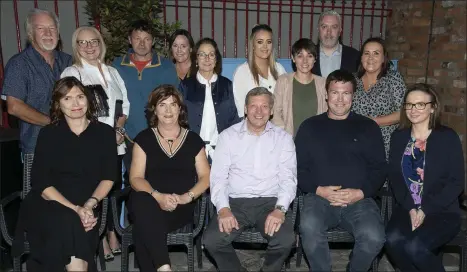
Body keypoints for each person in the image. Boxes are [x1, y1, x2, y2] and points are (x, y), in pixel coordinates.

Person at [12, 77, 117, 271]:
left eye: (80, 97)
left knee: (75, 225)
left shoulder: (105, 133)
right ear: (58, 104)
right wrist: (76, 209)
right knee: (70, 220)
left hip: (88, 203)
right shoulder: (48, 134)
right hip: (48, 202)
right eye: (67, 98)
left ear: (88, 99)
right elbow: (41, 184)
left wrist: (89, 204)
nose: (75, 104)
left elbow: (109, 176)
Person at [295, 69, 386, 272]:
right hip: (319, 198)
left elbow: (379, 169)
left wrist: (360, 193)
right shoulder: (309, 127)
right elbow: (298, 169)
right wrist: (320, 190)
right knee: (309, 227)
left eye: (346, 93)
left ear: (353, 96)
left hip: (359, 200)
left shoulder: (368, 127)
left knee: (374, 236)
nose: (340, 99)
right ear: (326, 94)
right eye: (335, 92)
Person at [203, 87, 297, 272]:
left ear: (271, 111)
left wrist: (280, 209)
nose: (259, 111)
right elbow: (219, 178)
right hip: (235, 203)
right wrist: (223, 209)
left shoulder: (284, 139)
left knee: (286, 240)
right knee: (212, 240)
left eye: (264, 106)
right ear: (245, 109)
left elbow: (288, 179)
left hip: (270, 202)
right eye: (253, 106)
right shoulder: (227, 137)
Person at [61, 26, 130, 260]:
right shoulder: (73, 72)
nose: (89, 46)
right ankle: (98, 238)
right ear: (76, 46)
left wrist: (118, 130)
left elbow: (124, 105)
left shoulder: (113, 71)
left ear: (101, 43)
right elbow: (74, 109)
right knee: (94, 190)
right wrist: (105, 135)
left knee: (113, 189)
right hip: (90, 144)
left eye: (94, 41)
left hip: (116, 142)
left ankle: (112, 233)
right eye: (83, 42)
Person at [128, 85, 210, 271]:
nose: (168, 110)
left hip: (179, 206)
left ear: (180, 109)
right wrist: (158, 196)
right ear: (154, 109)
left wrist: (185, 197)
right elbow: (135, 178)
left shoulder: (193, 140)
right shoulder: (144, 139)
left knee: (143, 226)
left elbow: (206, 177)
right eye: (162, 105)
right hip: (150, 200)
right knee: (142, 201)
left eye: (173, 105)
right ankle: (164, 267)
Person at [385, 83, 464, 272]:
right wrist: (412, 208)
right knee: (392, 240)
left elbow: (456, 182)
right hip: (407, 206)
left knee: (416, 247)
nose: (413, 110)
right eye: (409, 104)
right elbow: (395, 177)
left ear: (433, 107)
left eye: (420, 104)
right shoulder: (399, 136)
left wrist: (425, 209)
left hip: (441, 210)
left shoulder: (447, 137)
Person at [2, 8, 72, 174]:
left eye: (52, 28)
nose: (48, 33)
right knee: (40, 197)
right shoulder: (19, 64)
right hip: (37, 148)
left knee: (73, 195)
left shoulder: (68, 61)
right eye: (41, 28)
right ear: (30, 33)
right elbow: (14, 106)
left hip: (72, 145)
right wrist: (54, 123)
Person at [112, 19, 178, 165]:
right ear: (129, 40)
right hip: (127, 137)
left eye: (146, 39)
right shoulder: (116, 66)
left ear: (153, 41)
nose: (142, 44)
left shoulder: (166, 67)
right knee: (132, 183)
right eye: (137, 38)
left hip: (160, 137)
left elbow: (175, 104)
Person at [179, 38, 240, 157]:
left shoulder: (227, 85)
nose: (207, 59)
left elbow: (234, 120)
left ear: (216, 59)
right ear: (196, 59)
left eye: (211, 54)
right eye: (202, 54)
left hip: (222, 150)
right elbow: (179, 119)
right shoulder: (185, 85)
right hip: (191, 150)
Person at [352, 37, 407, 158]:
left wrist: (373, 122)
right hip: (356, 144)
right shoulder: (352, 80)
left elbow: (404, 111)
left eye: (376, 53)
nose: (370, 58)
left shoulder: (393, 79)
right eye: (366, 53)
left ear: (383, 58)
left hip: (385, 146)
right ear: (361, 58)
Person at [272, 38, 327, 136]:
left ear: (315, 59)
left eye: (309, 56)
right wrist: (285, 136)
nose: (305, 61)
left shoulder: (323, 83)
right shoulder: (283, 81)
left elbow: (328, 114)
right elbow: (275, 112)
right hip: (288, 141)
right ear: (293, 58)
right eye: (300, 56)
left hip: (317, 140)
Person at [232, 24, 286, 117]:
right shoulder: (242, 71)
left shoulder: (279, 69)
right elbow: (241, 111)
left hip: (279, 127)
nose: (265, 46)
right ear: (252, 45)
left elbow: (286, 102)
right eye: (260, 42)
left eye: (268, 42)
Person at [312, 10, 360, 77]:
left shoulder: (355, 57)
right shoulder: (308, 55)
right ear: (318, 29)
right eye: (324, 27)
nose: (329, 32)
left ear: (340, 30)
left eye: (334, 27)